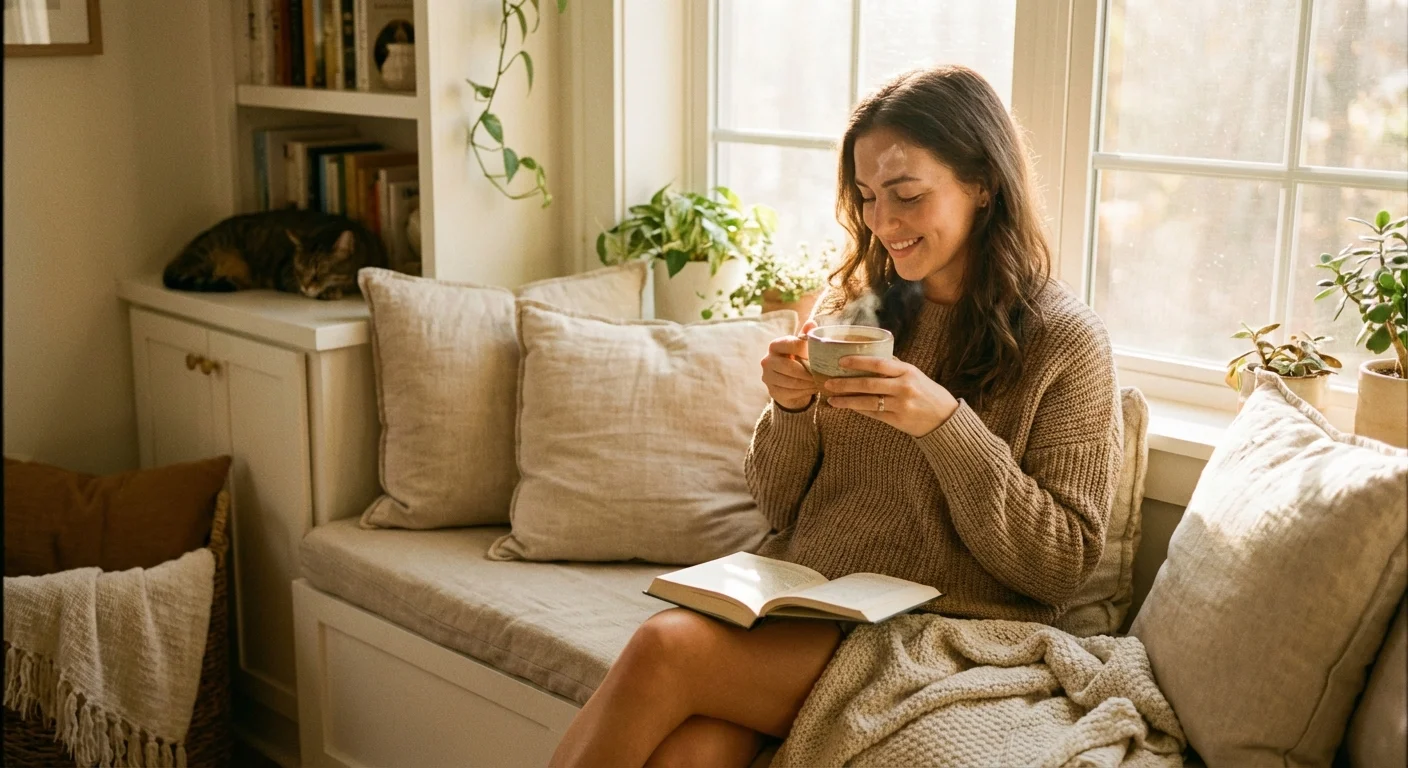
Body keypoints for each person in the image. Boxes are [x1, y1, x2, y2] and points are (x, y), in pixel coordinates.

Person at [549, 64, 1122, 768]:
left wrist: (946, 425)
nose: (882, 222)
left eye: (907, 194)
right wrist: (788, 409)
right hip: (811, 603)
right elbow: (779, 503)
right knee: (690, 753)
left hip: (946, 626)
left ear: (983, 183)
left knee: (664, 647)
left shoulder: (1064, 340)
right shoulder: (861, 309)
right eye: (868, 197)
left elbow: (1059, 566)